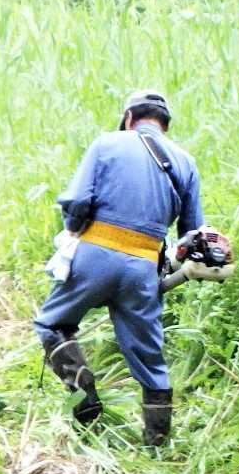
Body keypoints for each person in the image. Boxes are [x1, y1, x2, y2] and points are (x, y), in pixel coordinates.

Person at [33, 90, 202, 444]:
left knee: (52, 324)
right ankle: (157, 445)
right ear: (164, 126)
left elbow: (78, 201)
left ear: (129, 118)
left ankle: (86, 399)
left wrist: (74, 232)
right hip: (143, 267)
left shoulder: (107, 142)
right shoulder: (185, 163)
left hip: (96, 253)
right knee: (150, 360)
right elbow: (191, 236)